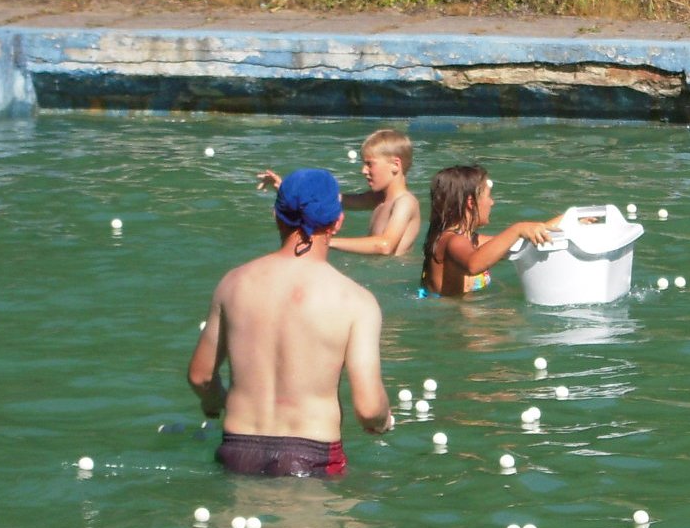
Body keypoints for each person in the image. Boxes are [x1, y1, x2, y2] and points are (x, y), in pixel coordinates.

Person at [187, 169, 392, 477]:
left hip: (236, 450)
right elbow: (368, 408)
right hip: (311, 457)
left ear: (276, 216)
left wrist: (214, 403)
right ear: (338, 222)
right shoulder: (355, 301)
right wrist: (383, 420)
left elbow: (201, 376)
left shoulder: (233, 283)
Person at [256, 129, 421, 257]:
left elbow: (385, 246)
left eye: (370, 164)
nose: (363, 171)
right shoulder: (377, 199)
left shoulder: (405, 202)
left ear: (395, 165)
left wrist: (325, 241)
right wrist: (286, 188)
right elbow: (326, 199)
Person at [421, 164, 560, 297]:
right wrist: (517, 229)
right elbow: (474, 264)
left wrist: (569, 217)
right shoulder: (452, 242)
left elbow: (529, 237)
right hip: (446, 312)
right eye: (489, 196)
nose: (492, 202)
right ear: (471, 203)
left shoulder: (471, 241)